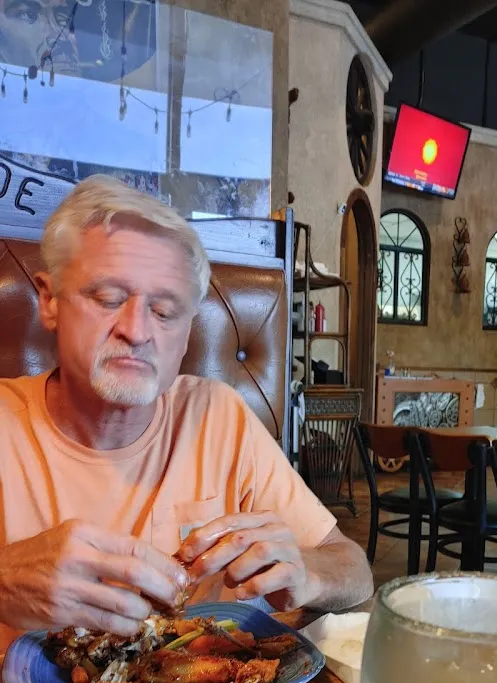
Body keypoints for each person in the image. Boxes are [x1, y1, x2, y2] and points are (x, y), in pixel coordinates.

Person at [0, 175, 373, 651]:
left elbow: (354, 569)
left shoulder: (218, 417)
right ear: (49, 300)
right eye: (108, 298)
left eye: (165, 310)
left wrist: (309, 573)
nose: (136, 331)